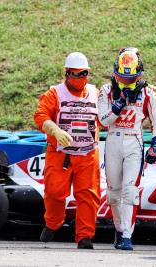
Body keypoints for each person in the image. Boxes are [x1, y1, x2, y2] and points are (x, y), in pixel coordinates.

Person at [33, 52, 101, 249]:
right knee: (54, 192)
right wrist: (55, 129)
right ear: (66, 73)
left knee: (88, 196)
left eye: (84, 74)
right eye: (76, 74)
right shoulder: (54, 93)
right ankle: (53, 222)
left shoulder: (97, 93)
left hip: (88, 153)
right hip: (60, 153)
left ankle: (85, 237)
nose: (80, 78)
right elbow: (40, 116)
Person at [98, 47, 156, 250]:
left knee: (130, 190)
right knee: (113, 192)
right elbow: (103, 121)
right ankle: (118, 229)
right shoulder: (106, 91)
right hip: (113, 140)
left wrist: (155, 144)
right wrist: (117, 106)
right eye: (122, 77)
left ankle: (127, 235)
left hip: (134, 141)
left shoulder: (148, 91)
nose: (126, 82)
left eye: (131, 78)